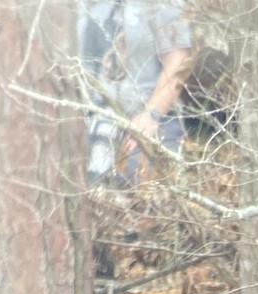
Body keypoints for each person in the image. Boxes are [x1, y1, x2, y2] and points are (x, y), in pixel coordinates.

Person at [78, 0, 196, 184]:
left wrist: (151, 115)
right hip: (92, 116)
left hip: (151, 118)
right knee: (82, 183)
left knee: (136, 189)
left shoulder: (162, 4)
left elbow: (178, 62)